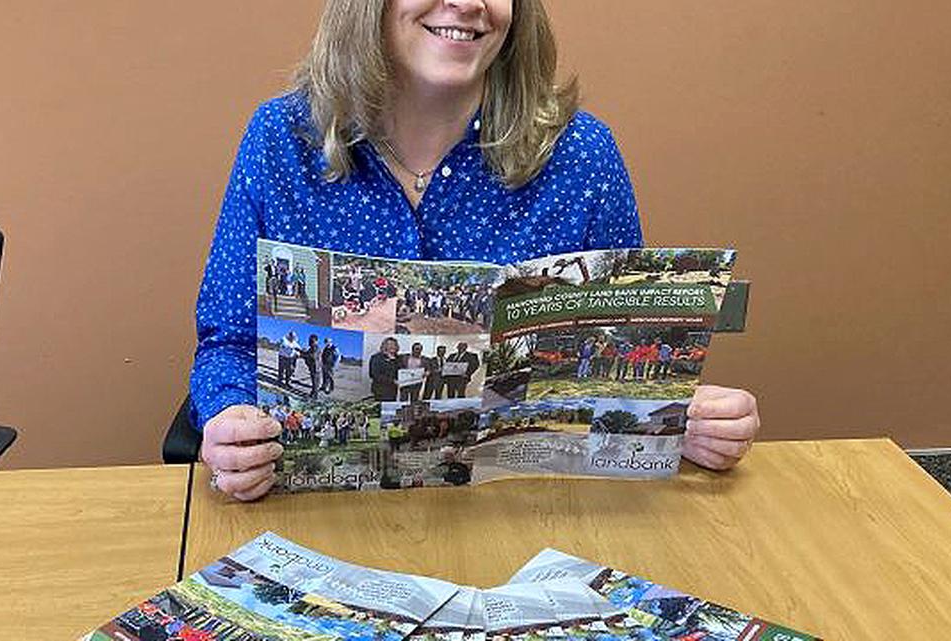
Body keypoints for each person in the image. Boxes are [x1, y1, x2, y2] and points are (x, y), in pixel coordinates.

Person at [194, 0, 760, 501]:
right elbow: (231, 341)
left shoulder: (583, 154)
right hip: (327, 514)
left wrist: (683, 418)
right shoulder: (280, 139)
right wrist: (230, 426)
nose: (467, 4)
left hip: (521, 517)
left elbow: (618, 355)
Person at [368, 337, 402, 402]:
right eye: (390, 344)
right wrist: (392, 381)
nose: (393, 346)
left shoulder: (398, 359)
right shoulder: (376, 358)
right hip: (380, 391)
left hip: (393, 391)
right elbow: (373, 374)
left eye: (394, 345)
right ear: (385, 346)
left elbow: (401, 372)